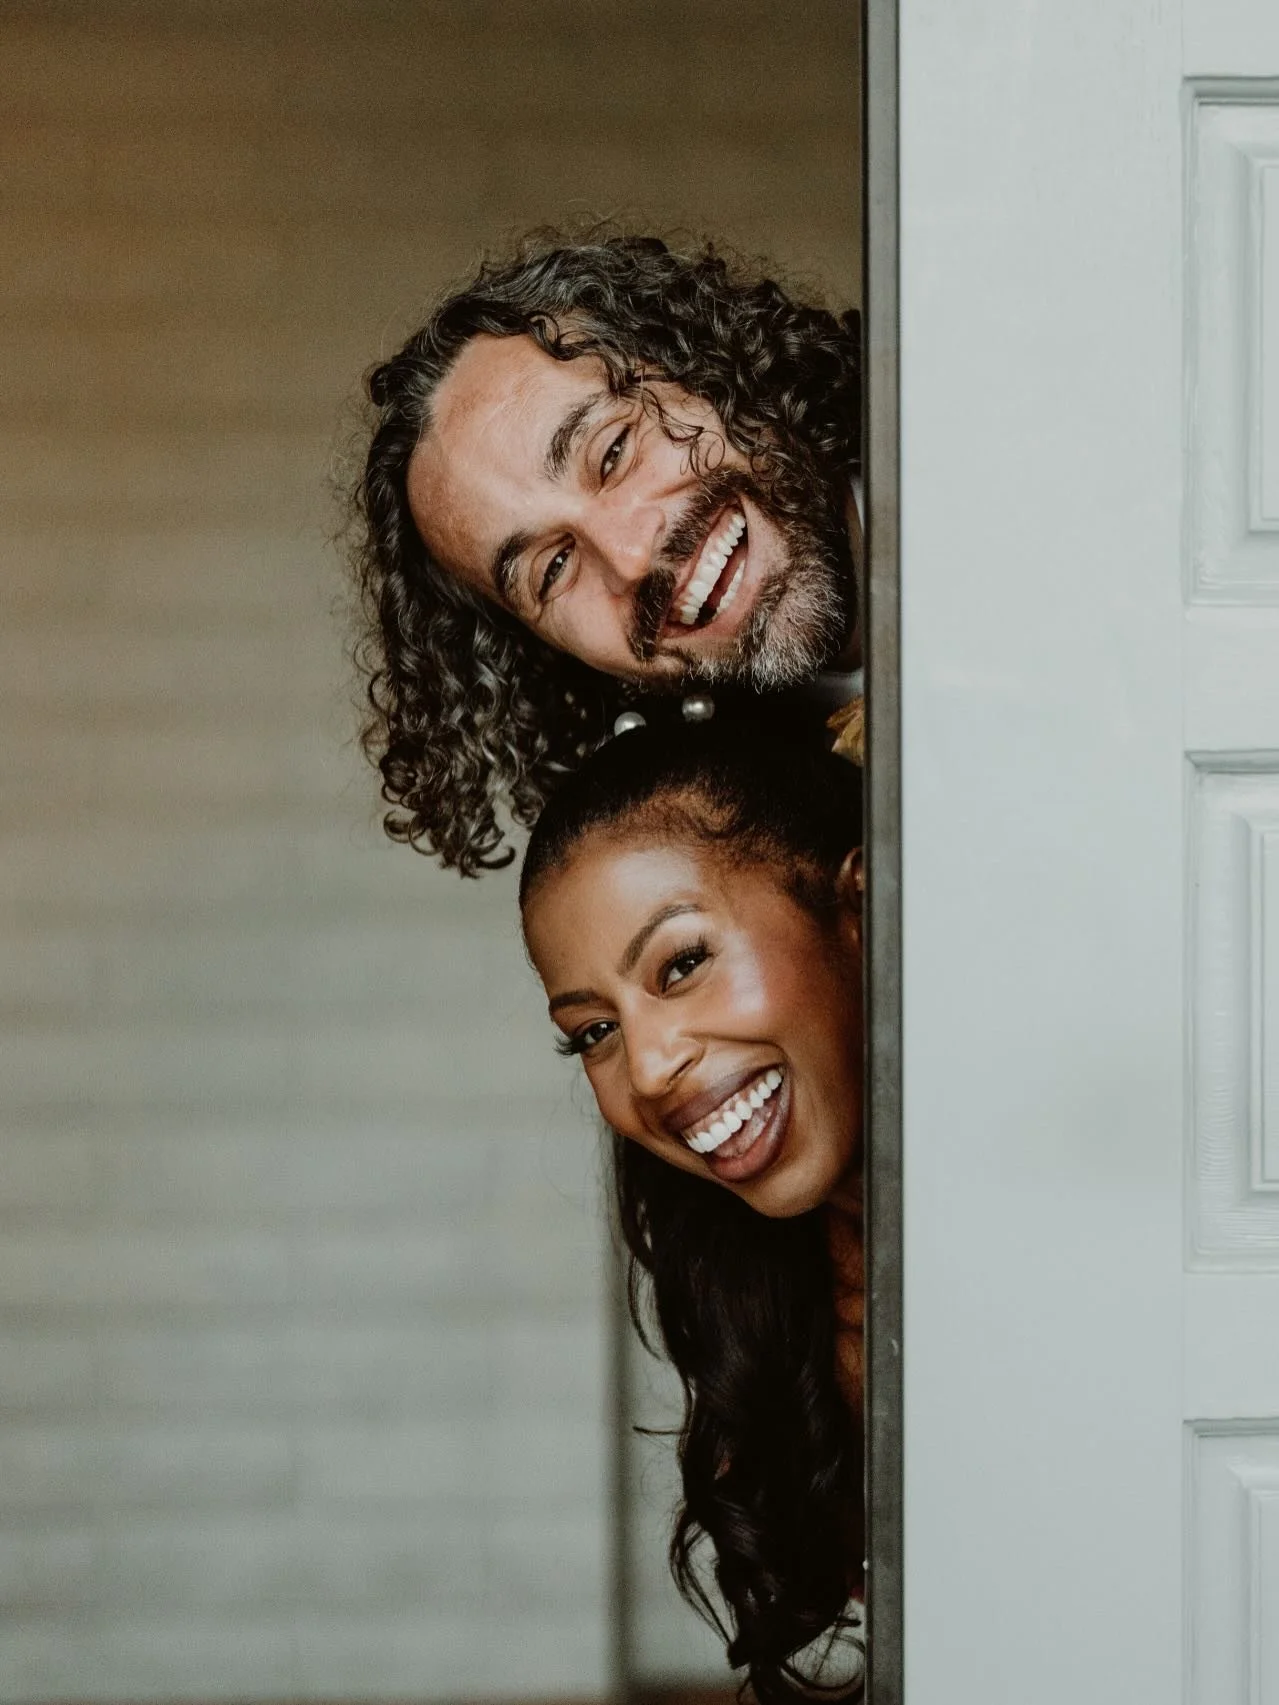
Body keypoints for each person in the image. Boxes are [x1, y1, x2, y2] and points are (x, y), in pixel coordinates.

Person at [519, 719, 866, 1703]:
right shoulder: (774, 1312)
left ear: (857, 905)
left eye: (678, 964)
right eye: (592, 1031)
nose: (650, 1064)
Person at [347, 230, 863, 874]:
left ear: (708, 360)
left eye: (614, 451)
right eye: (554, 569)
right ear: (553, 658)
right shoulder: (750, 867)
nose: (629, 558)